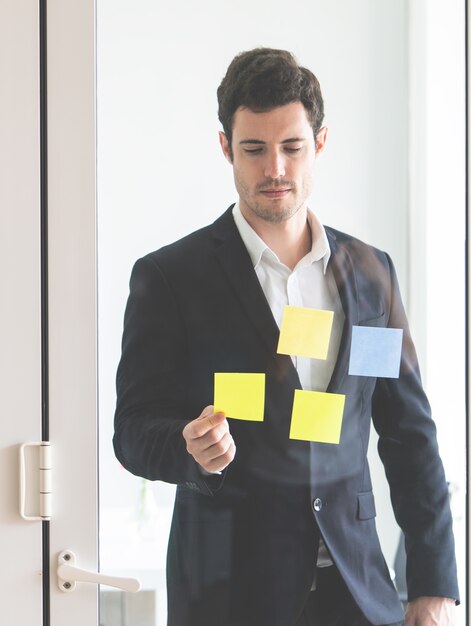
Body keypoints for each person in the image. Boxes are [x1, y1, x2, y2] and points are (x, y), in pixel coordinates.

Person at [113, 48, 459, 626]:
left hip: (358, 594)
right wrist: (188, 447)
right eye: (254, 149)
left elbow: (410, 435)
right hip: (229, 599)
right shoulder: (171, 277)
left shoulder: (372, 274)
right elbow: (132, 430)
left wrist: (433, 586)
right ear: (226, 148)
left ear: (319, 142)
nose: (275, 168)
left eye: (292, 147)